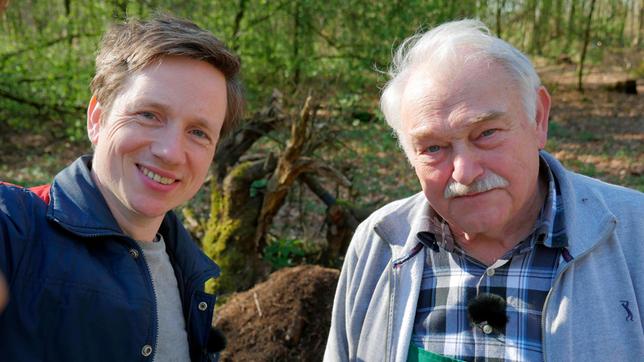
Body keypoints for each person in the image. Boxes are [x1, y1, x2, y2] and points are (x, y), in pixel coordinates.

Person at [325, 19, 643, 362]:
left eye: (486, 133)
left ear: (537, 118)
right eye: (433, 148)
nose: (465, 172)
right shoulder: (379, 245)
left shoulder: (633, 236)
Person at [0, 15, 242, 362]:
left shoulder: (190, 272)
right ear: (97, 119)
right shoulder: (15, 230)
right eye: (149, 114)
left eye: (199, 132)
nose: (171, 152)